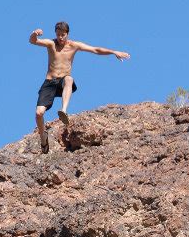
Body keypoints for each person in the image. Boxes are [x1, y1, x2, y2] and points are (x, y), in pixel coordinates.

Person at [29, 21, 130, 153]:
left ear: (67, 34)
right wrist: (34, 34)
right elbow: (33, 41)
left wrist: (113, 52)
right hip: (49, 82)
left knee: (69, 79)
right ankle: (43, 137)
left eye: (63, 35)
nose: (60, 37)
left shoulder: (74, 45)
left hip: (63, 81)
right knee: (38, 114)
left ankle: (63, 110)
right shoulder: (51, 44)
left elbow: (95, 49)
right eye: (58, 34)